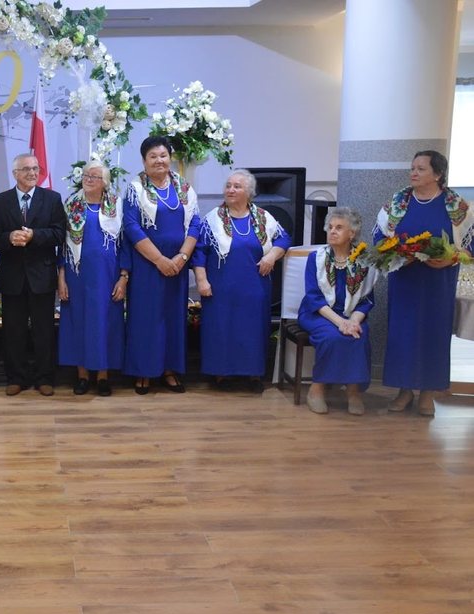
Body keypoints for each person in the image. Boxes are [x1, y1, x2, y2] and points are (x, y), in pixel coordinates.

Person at [374, 150, 472, 416]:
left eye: (421, 169)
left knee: (434, 334)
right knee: (403, 334)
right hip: (405, 280)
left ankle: (428, 393)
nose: (414, 173)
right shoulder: (399, 202)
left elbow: (471, 243)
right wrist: (394, 254)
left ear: (437, 174)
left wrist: (451, 258)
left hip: (438, 282)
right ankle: (404, 391)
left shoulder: (457, 206)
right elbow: (378, 236)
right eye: (413, 168)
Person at [193, 169, 291, 392]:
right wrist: (201, 280)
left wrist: (271, 256)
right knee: (221, 329)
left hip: (254, 288)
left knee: (252, 330)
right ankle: (221, 373)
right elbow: (199, 252)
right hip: (220, 288)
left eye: (237, 186)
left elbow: (284, 239)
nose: (230, 190)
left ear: (249, 192)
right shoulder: (212, 219)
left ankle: (253, 374)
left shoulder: (263, 217)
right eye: (228, 186)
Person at [123, 136, 200, 394]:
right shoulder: (135, 188)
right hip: (147, 265)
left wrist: (181, 258)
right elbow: (131, 227)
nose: (159, 160)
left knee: (173, 317)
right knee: (146, 318)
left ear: (170, 158)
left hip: (177, 266)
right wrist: (159, 260)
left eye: (163, 155)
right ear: (144, 161)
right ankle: (144, 371)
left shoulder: (184, 188)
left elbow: (195, 224)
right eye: (153, 156)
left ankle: (170, 369)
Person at [0, 153, 67, 396]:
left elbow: (59, 234)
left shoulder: (52, 199)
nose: (32, 173)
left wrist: (34, 235)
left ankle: (45, 377)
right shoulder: (0, 201)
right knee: (13, 331)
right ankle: (16, 378)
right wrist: (9, 237)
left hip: (41, 275)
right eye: (26, 169)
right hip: (12, 276)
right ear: (15, 173)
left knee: (44, 331)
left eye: (36, 168)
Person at [58, 161, 130, 396]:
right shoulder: (71, 204)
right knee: (79, 322)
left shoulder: (117, 205)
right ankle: (82, 376)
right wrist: (61, 277)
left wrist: (123, 277)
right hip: (77, 275)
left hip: (107, 276)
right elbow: (61, 245)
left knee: (105, 323)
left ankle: (102, 376)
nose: (89, 179)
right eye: (87, 175)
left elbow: (126, 244)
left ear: (105, 182)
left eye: (95, 176)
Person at [298, 207, 378, 415]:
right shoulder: (316, 258)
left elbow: (367, 299)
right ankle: (317, 389)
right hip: (318, 314)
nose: (332, 231)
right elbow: (314, 297)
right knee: (332, 337)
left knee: (358, 336)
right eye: (330, 227)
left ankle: (353, 392)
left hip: (351, 315)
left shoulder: (364, 261)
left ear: (352, 233)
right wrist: (341, 322)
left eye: (339, 227)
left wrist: (353, 321)